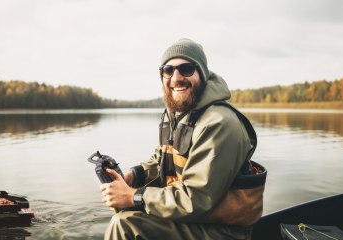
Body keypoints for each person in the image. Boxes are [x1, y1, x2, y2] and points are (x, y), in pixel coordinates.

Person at [99, 38, 266, 240]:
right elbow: (162, 159)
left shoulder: (219, 123)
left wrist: (132, 196)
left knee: (124, 224)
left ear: (202, 74)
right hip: (195, 219)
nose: (176, 78)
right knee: (123, 211)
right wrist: (134, 176)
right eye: (168, 70)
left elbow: (196, 199)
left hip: (222, 231)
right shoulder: (180, 115)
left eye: (186, 69)